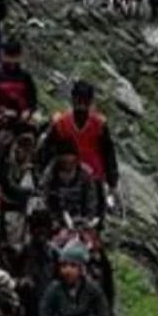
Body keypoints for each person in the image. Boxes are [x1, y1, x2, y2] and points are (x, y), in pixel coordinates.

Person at [42, 81, 118, 218]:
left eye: (85, 101)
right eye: (79, 100)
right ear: (73, 99)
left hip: (94, 177)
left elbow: (108, 153)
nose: (81, 105)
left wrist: (112, 181)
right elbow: (46, 150)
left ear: (90, 102)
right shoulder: (61, 123)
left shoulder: (99, 124)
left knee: (94, 217)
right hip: (65, 176)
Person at [38, 240, 111, 316]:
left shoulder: (93, 289)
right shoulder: (53, 289)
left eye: (73, 266)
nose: (68, 271)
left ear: (81, 269)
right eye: (64, 266)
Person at [0, 37, 38, 123]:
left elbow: (32, 99)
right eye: (9, 56)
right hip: (0, 116)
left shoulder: (25, 76)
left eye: (14, 57)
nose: (11, 61)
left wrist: (28, 111)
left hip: (22, 118)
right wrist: (2, 110)